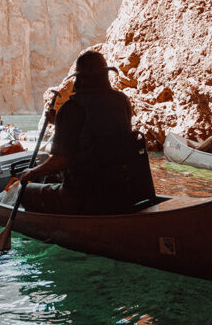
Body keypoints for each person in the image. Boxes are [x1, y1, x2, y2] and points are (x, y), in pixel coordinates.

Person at [17, 50, 154, 214]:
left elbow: (61, 161)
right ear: (105, 75)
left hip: (83, 197)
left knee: (23, 192)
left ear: (80, 78)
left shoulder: (72, 108)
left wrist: (31, 172)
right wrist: (58, 121)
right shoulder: (121, 100)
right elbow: (103, 130)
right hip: (121, 189)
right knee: (52, 179)